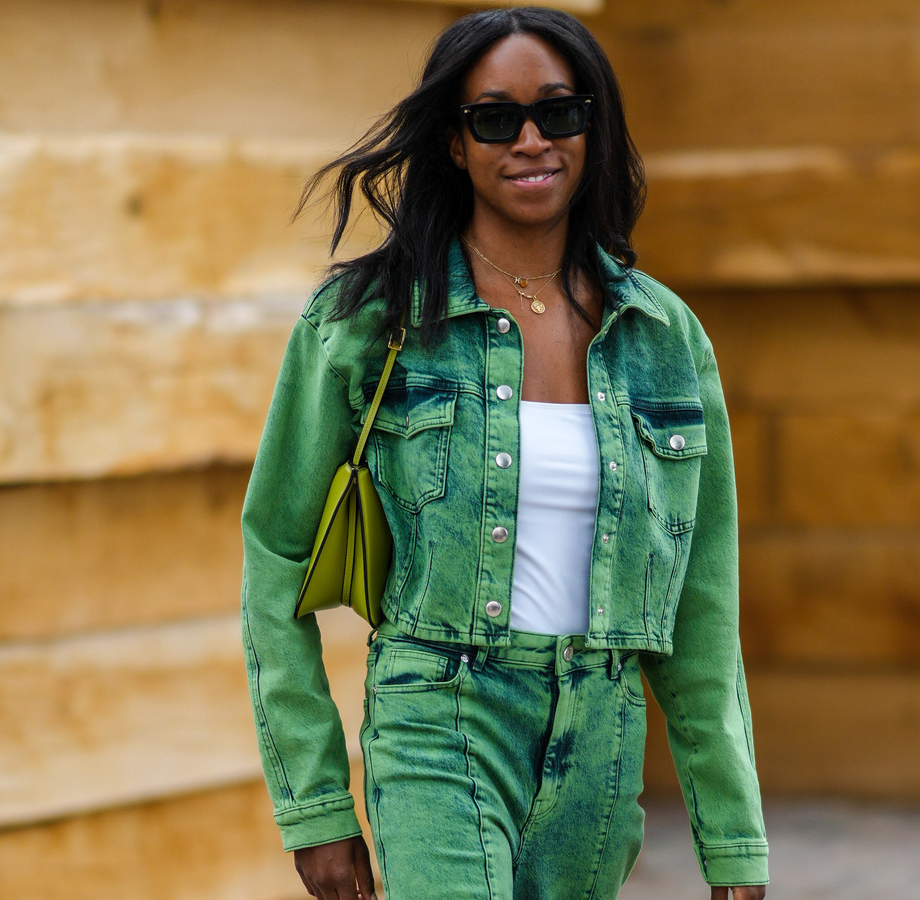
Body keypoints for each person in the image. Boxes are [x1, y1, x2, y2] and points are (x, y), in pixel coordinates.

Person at [240, 7, 767, 899]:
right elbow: (275, 555)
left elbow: (704, 610)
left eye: (558, 113)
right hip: (439, 711)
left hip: (600, 737)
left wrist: (733, 836)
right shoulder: (368, 322)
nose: (531, 140)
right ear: (454, 143)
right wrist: (318, 804)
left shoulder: (664, 335)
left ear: (592, 129)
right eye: (496, 119)